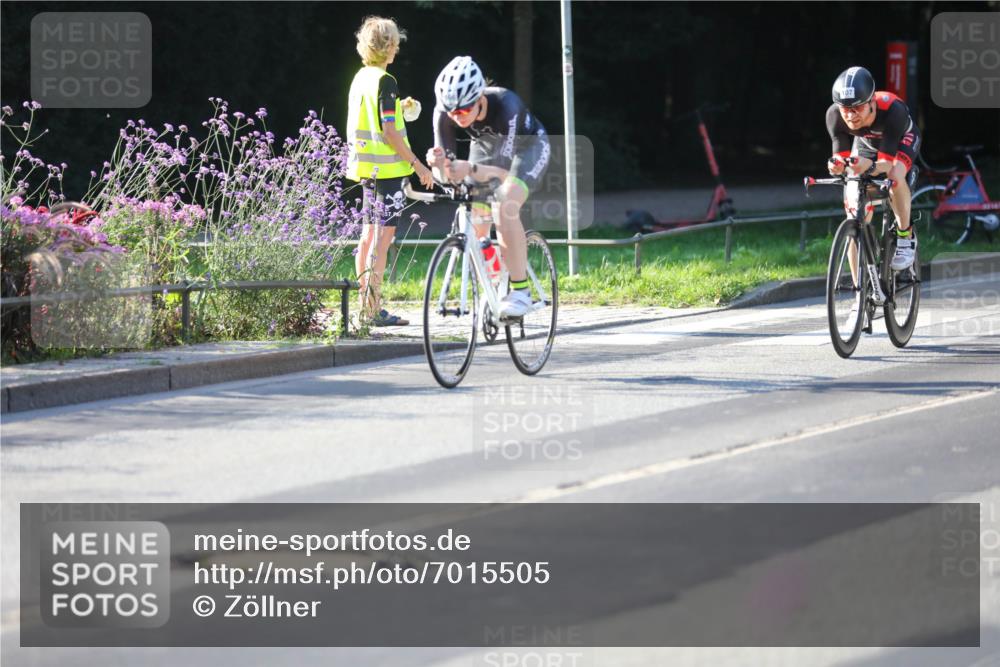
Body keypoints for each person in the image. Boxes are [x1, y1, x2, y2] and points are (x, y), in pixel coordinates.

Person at [426, 56, 551, 319]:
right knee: (474, 219)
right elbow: (446, 175)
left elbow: (502, 175)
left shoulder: (506, 105)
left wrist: (469, 169)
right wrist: (439, 166)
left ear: (479, 98)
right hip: (485, 145)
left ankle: (520, 291)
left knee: (504, 204)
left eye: (463, 111)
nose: (456, 117)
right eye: (451, 112)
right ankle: (494, 278)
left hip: (528, 148)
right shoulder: (445, 112)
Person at [346, 16, 434, 326]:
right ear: (389, 46)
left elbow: (376, 118)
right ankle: (373, 311)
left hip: (366, 168)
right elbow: (389, 132)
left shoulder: (361, 78)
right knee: (382, 241)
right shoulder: (386, 81)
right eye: (395, 43)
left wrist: (399, 107)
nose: (397, 48)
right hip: (388, 172)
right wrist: (418, 165)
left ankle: (364, 306)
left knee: (367, 237)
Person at [826, 66, 921, 273]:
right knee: (854, 216)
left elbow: (885, 165)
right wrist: (837, 165)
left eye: (857, 108)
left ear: (872, 102)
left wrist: (868, 166)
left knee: (894, 176)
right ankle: (858, 288)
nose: (850, 115)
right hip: (866, 145)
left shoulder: (893, 110)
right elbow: (840, 158)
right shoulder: (834, 115)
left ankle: (905, 237)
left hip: (900, 141)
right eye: (845, 109)